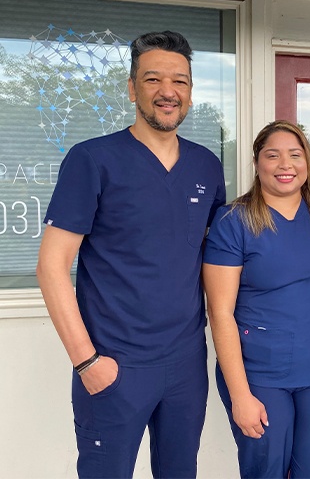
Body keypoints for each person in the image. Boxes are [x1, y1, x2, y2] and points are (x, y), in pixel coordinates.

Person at [36, 31, 226, 478]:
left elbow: (218, 259)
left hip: (185, 363)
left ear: (191, 92)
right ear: (131, 88)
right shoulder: (93, 159)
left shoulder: (206, 165)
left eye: (179, 81)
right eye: (153, 79)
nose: (168, 92)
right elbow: (51, 265)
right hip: (114, 363)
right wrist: (86, 361)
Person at [202, 120, 310, 478]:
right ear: (257, 163)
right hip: (260, 375)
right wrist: (240, 395)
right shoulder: (233, 221)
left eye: (295, 155)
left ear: (307, 163)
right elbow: (220, 313)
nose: (286, 165)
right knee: (266, 470)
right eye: (273, 155)